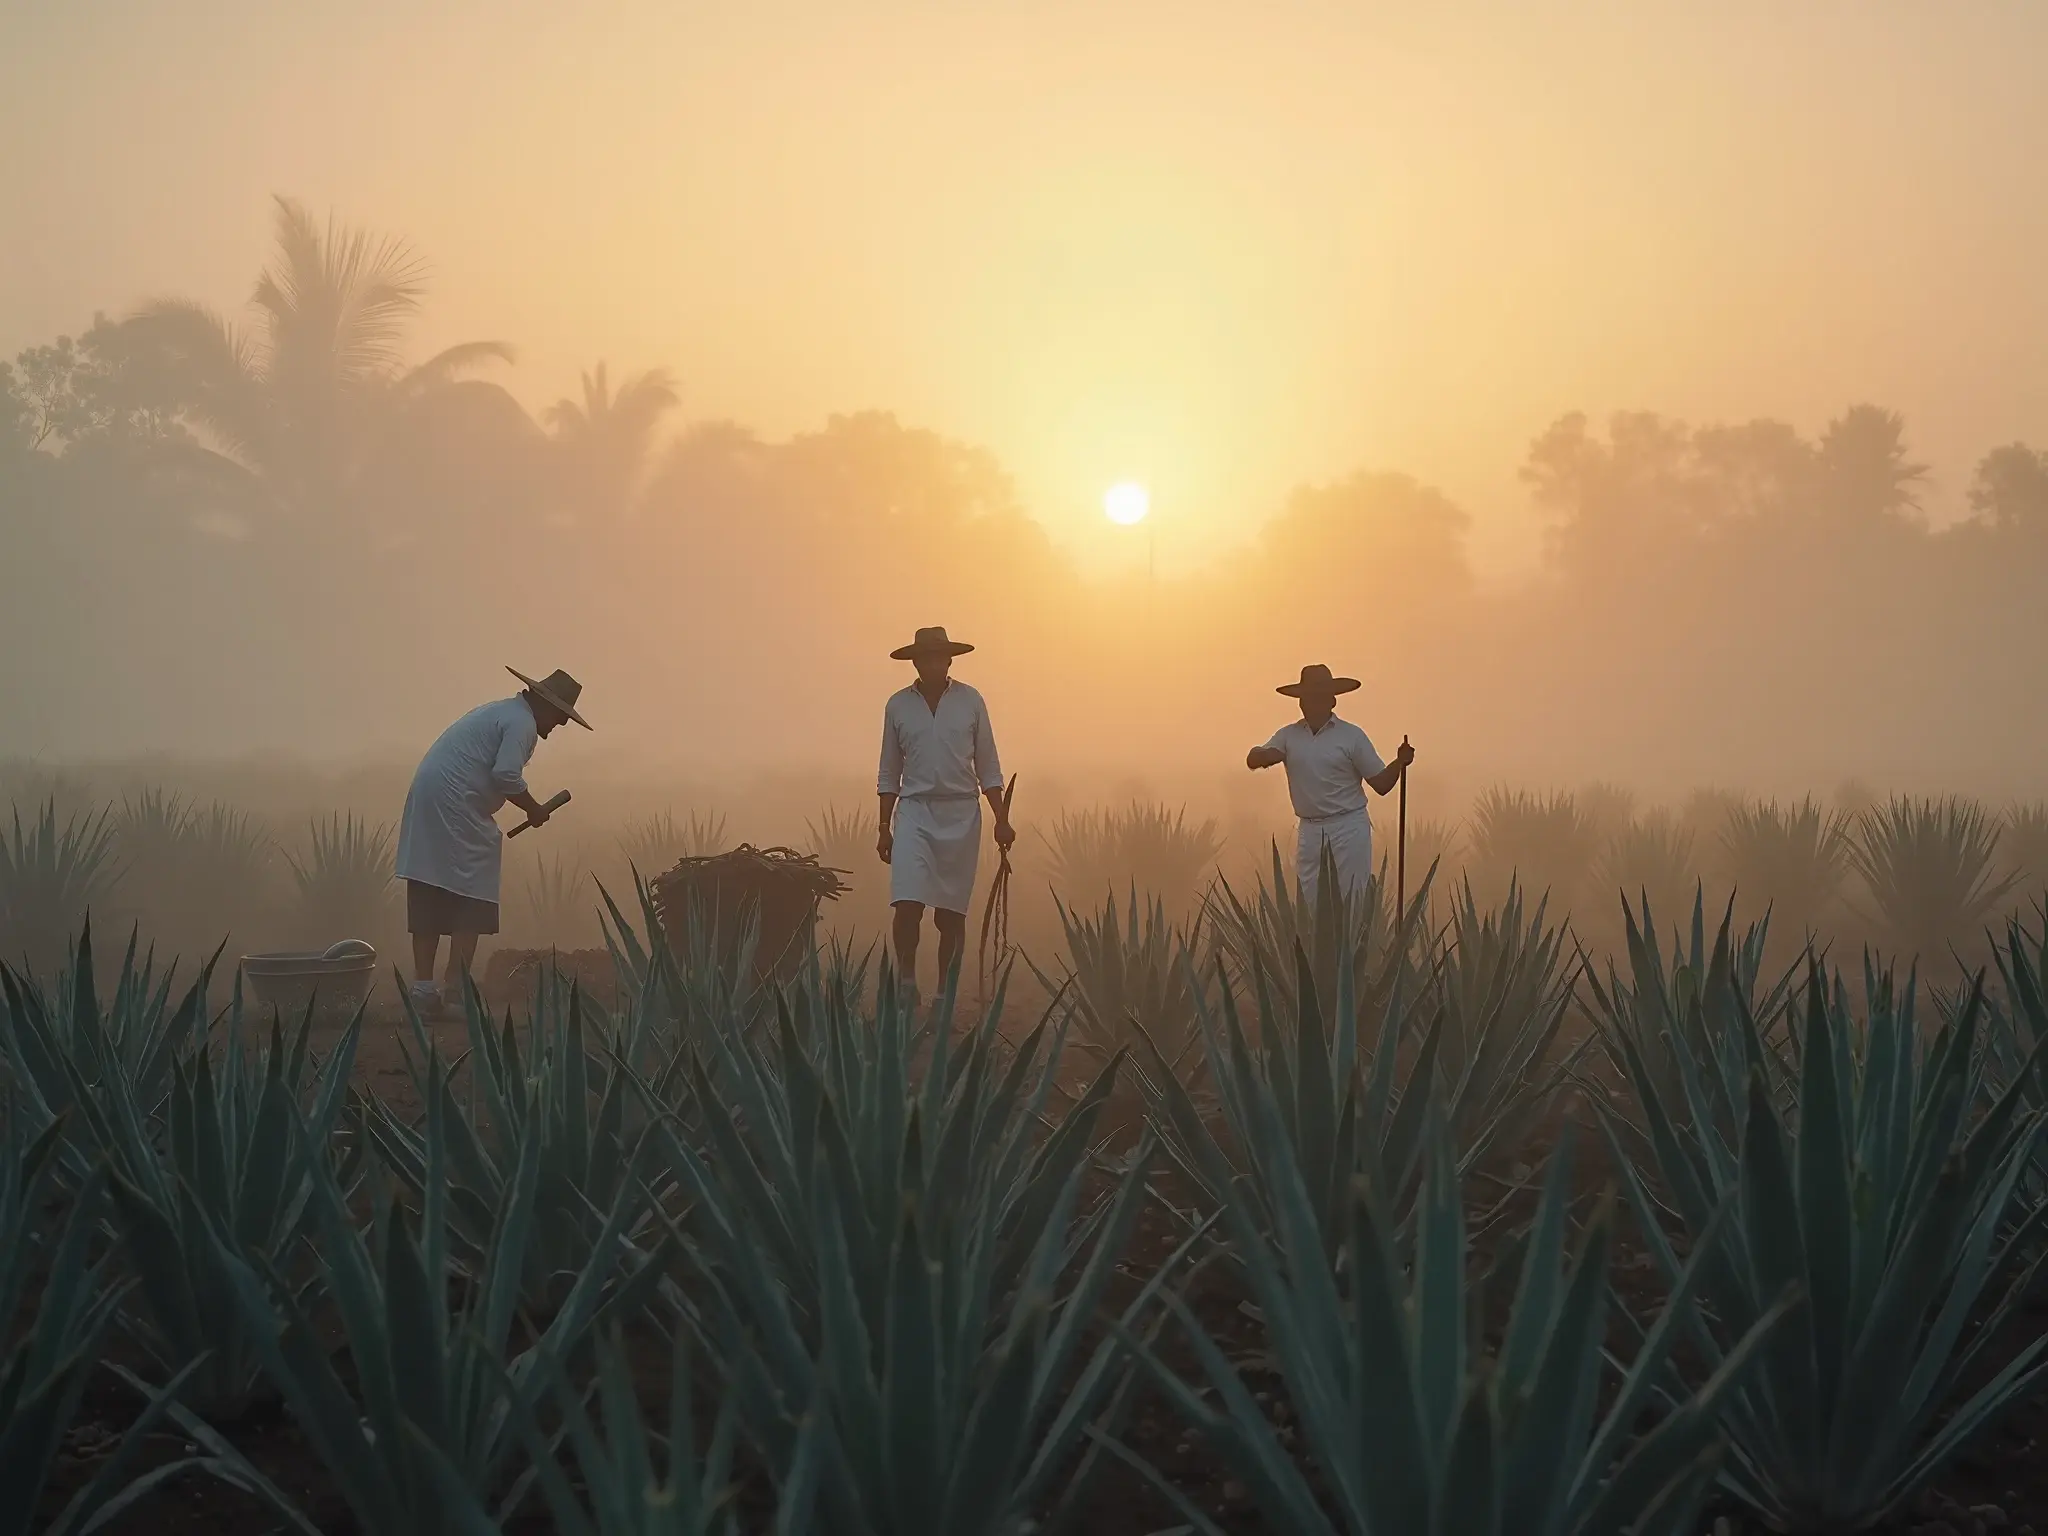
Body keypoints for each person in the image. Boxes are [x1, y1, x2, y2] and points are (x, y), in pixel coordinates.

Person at [395, 666, 588, 1017]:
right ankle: (456, 991)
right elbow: (505, 774)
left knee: (430, 880)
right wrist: (533, 809)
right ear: (546, 705)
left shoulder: (500, 711)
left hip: (429, 795)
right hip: (455, 802)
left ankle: (423, 992)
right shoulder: (523, 724)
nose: (556, 728)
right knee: (473, 889)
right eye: (561, 718)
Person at [876, 626, 1014, 1000]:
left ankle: (944, 995)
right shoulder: (898, 705)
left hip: (961, 814)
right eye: (925, 658)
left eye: (939, 657)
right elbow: (890, 770)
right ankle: (906, 984)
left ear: (949, 660)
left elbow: (988, 765)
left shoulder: (971, 701)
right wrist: (884, 826)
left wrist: (1001, 819)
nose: (932, 664)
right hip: (915, 813)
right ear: (915, 663)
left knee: (950, 915)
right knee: (907, 904)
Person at [1246, 663, 1414, 907]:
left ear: (1332, 701)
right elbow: (1256, 757)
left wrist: (1400, 762)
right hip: (1310, 830)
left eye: (1318, 697)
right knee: (1310, 906)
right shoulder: (1288, 736)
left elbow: (1381, 784)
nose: (1311, 703)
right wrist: (1262, 756)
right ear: (1300, 702)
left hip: (1348, 828)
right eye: (1307, 697)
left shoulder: (1351, 736)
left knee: (1351, 902)